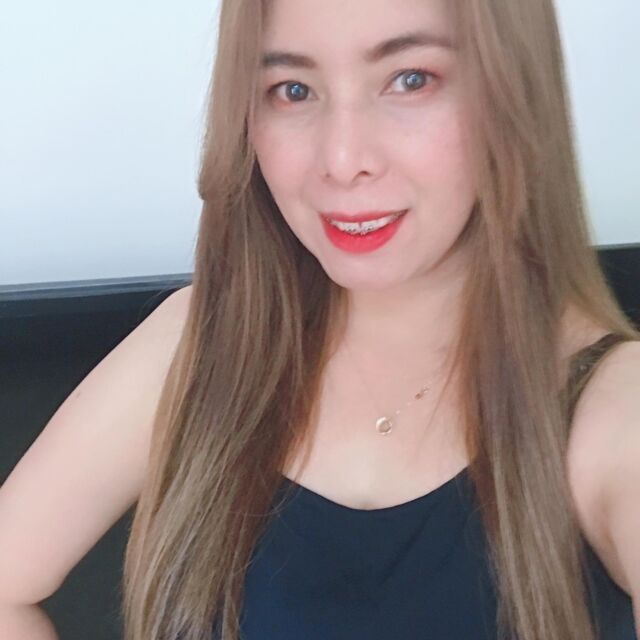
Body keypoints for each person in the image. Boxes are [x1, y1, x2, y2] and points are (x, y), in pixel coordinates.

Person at [0, 0, 638, 639]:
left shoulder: (614, 410)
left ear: (514, 90)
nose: (341, 158)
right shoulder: (198, 344)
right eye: (293, 90)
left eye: (411, 79)